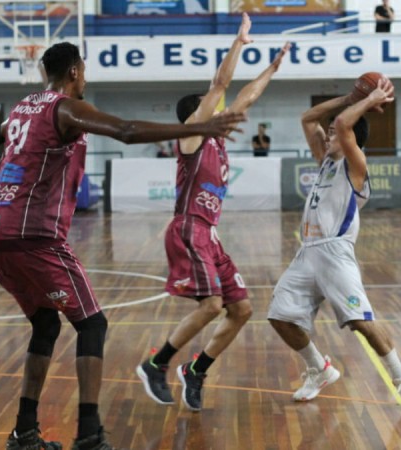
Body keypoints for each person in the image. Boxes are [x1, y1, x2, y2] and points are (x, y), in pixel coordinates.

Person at [0, 42, 245, 450]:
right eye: (84, 70)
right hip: (33, 234)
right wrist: (198, 128)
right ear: (75, 73)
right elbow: (127, 131)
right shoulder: (64, 108)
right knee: (93, 324)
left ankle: (25, 432)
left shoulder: (22, 108)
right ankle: (89, 435)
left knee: (46, 325)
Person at [136, 14, 290, 412]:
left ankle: (196, 369)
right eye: (213, 110)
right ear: (197, 117)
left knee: (241, 310)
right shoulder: (191, 136)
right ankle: (156, 363)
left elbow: (245, 99)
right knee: (212, 305)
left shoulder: (218, 140)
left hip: (210, 233)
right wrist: (239, 43)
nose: (222, 111)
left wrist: (272, 68)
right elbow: (221, 86)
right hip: (189, 227)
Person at [265, 80, 401, 411]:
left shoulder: (356, 166)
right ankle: (319, 369)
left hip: (335, 253)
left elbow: (341, 123)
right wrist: (350, 97)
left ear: (351, 139)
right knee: (280, 316)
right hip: (307, 252)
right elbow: (308, 118)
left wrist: (368, 101)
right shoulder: (326, 160)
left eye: (334, 134)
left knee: (361, 323)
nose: (328, 135)